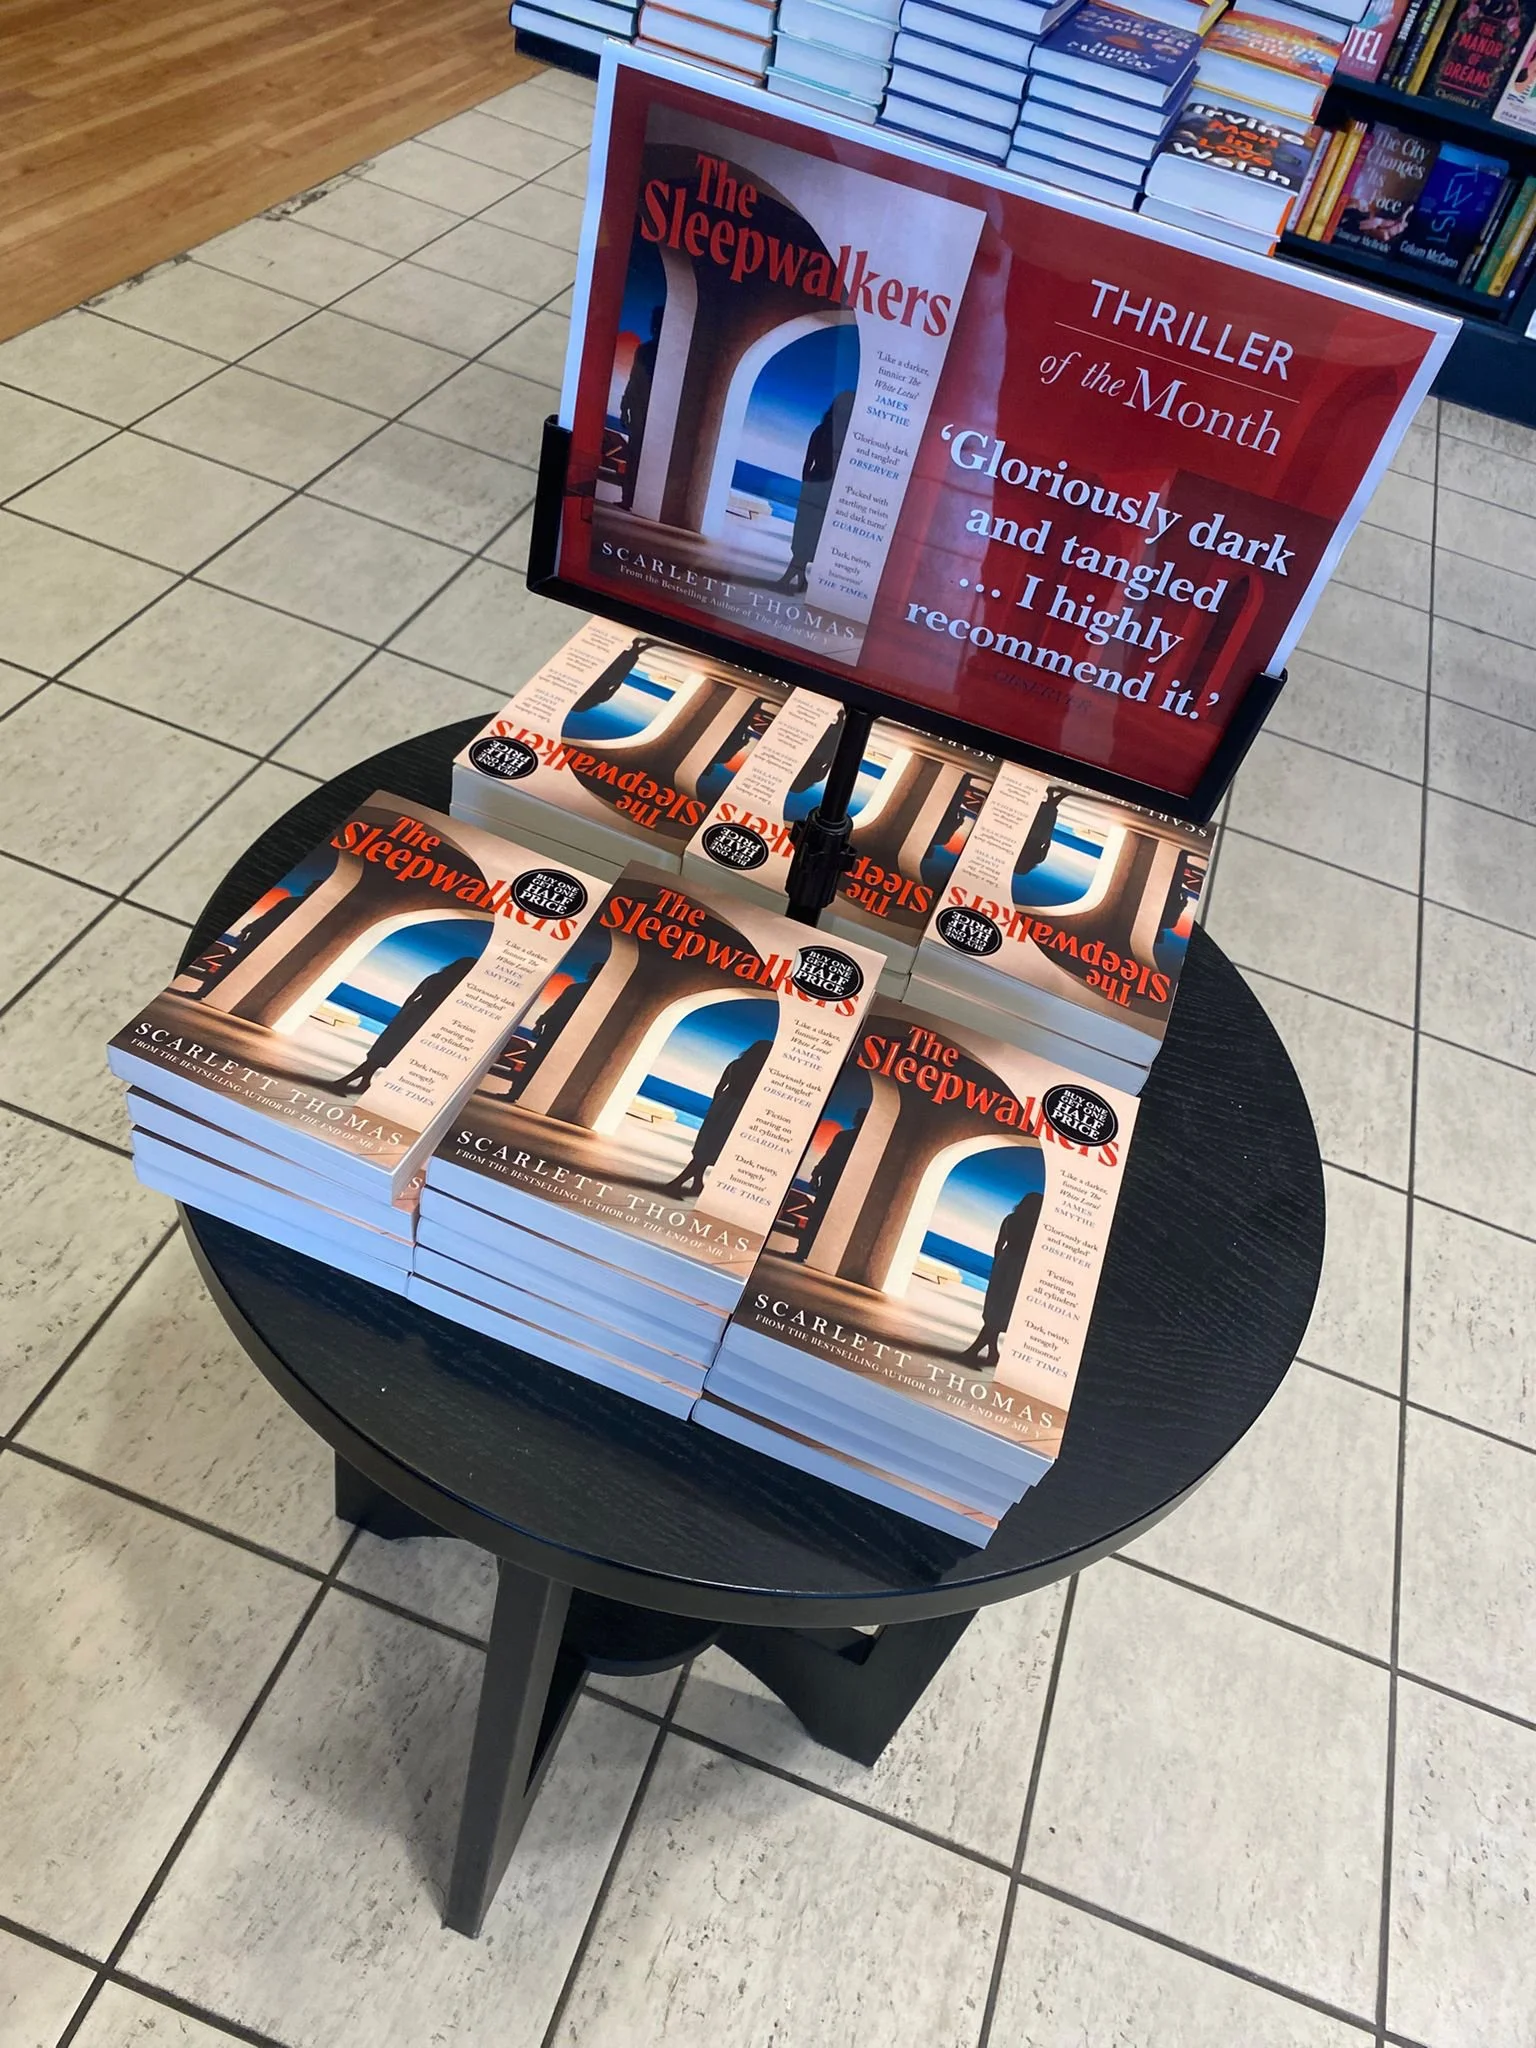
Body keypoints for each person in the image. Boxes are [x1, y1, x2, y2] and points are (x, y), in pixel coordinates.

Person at [332, 952, 479, 1097]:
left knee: (383, 1051)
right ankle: (344, 1082)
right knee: (386, 1054)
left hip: (412, 1012)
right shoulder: (457, 987)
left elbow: (413, 997)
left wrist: (401, 1015)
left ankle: (362, 1083)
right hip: (424, 1019)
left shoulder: (435, 978)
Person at [660, 1038, 772, 1198]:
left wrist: (715, 1106)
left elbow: (720, 1086)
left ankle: (696, 1184)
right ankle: (676, 1183)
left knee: (707, 1146)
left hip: (722, 1104)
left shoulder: (736, 1064)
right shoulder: (760, 1072)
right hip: (738, 1110)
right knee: (712, 1149)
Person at [774, 390, 854, 594]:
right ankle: (795, 578)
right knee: (810, 534)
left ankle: (794, 577)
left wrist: (806, 485)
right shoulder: (845, 438)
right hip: (827, 491)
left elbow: (807, 464)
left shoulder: (822, 431)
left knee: (805, 532)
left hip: (815, 487)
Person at [960, 1187, 1042, 1368]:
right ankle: (987, 1352)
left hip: (1005, 1263)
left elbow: (999, 1244)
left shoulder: (1010, 1220)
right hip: (1019, 1267)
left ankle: (977, 1351)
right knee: (1001, 1310)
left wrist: (996, 1265)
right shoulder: (1036, 1227)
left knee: (996, 1308)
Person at [197, 877, 320, 992]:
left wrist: (247, 930)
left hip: (267, 939)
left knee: (232, 965)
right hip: (267, 939)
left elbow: (267, 918)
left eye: (312, 886)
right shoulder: (295, 904)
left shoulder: (295, 904)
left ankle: (204, 991)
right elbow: (267, 917)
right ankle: (205, 991)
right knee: (233, 965)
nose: (308, 887)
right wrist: (247, 930)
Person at [792, 1109, 865, 1260]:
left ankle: (803, 1252)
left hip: (835, 1182)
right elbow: (829, 1157)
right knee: (820, 1218)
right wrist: (816, 1174)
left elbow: (828, 1157)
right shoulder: (851, 1138)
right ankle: (807, 1253)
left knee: (817, 1218)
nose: (855, 1119)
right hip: (837, 1183)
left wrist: (815, 1175)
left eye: (858, 1116)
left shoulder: (847, 1138)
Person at [618, 306, 662, 510]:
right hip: (640, 412)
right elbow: (634, 379)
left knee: (649, 459)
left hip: (658, 415)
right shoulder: (644, 350)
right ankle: (628, 499)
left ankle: (641, 502)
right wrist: (625, 405)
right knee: (634, 456)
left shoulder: (672, 353)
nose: (653, 325)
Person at [1013, 787, 1067, 884]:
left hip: (1042, 837)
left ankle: (1059, 795)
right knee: (1043, 814)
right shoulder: (1018, 854)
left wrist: (1048, 836)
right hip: (1031, 834)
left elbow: (1047, 847)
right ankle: (1055, 795)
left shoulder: (1038, 859)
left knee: (1049, 815)